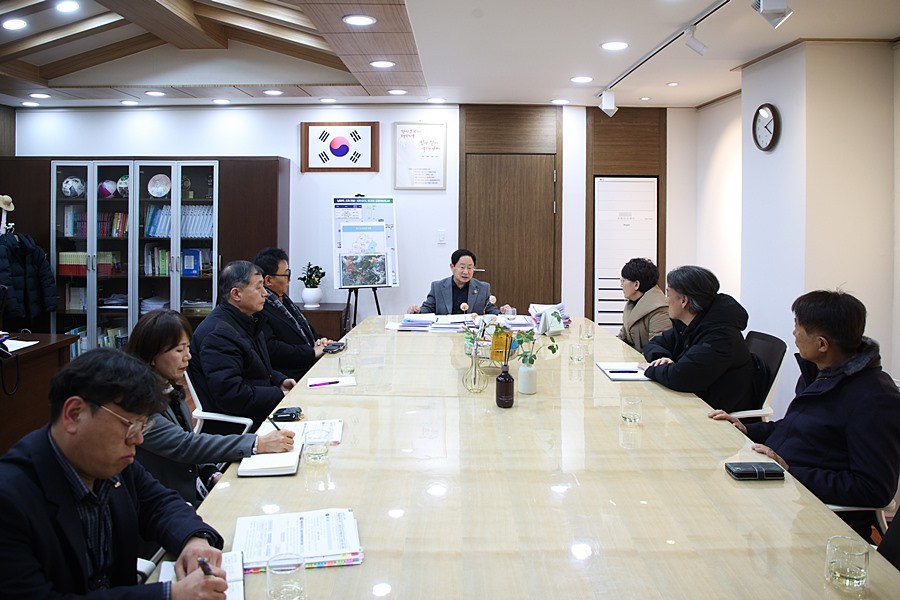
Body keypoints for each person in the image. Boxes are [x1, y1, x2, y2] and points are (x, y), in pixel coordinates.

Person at [0, 348, 229, 599]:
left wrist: (194, 540)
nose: (138, 439)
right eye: (130, 425)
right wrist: (169, 595)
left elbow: (159, 502)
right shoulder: (10, 498)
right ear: (74, 414)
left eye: (143, 426)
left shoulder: (111, 463)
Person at [710, 290, 900, 540]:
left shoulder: (873, 398)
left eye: (797, 327)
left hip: (816, 518)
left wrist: (790, 472)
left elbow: (874, 489)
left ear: (822, 344)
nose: (794, 334)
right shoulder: (821, 373)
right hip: (780, 494)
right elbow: (795, 427)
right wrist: (747, 428)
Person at [127, 309, 295, 506]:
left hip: (192, 490)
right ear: (152, 355)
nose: (188, 356)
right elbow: (184, 445)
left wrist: (211, 474)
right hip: (168, 504)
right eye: (179, 350)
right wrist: (258, 443)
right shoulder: (137, 404)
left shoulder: (168, 389)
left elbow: (189, 440)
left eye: (188, 348)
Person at [188, 260, 296, 433]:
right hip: (240, 426)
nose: (265, 294)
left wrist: (280, 380)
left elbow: (255, 368)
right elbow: (231, 395)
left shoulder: (248, 320)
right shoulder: (219, 335)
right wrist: (278, 394)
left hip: (258, 411)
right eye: (258, 288)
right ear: (236, 294)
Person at [640, 265, 758, 413]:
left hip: (715, 414)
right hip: (694, 403)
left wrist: (652, 369)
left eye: (668, 294)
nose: (666, 300)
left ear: (684, 301)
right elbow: (654, 343)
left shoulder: (721, 337)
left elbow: (682, 377)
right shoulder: (688, 324)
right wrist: (662, 359)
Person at [253, 247, 334, 380]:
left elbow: (307, 330)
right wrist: (311, 352)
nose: (290, 280)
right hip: (291, 375)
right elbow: (272, 349)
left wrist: (321, 341)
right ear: (268, 280)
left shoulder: (284, 301)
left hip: (308, 364)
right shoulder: (260, 307)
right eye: (286, 275)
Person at [407, 248, 502, 315]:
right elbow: (427, 308)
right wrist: (417, 311)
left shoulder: (483, 288)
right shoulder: (438, 287)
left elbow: (492, 311)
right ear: (452, 267)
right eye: (462, 267)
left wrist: (504, 312)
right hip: (445, 332)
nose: (466, 272)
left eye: (470, 268)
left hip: (471, 333)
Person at [617, 257, 671, 351]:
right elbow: (623, 337)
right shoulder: (632, 303)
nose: (621, 285)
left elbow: (658, 349)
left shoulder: (660, 309)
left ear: (636, 284)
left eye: (623, 281)